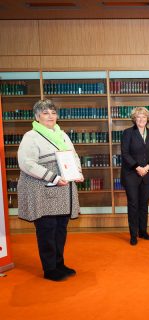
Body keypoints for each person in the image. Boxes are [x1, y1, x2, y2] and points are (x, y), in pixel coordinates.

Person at [17, 99, 84, 281]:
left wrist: (77, 172)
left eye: (53, 113)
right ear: (37, 117)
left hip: (63, 189)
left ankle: (59, 264)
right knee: (47, 228)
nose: (50, 116)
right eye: (45, 113)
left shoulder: (62, 134)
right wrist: (52, 177)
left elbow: (73, 155)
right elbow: (26, 163)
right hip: (42, 188)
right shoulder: (31, 136)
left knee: (61, 228)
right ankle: (49, 269)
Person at [121, 107, 149, 246]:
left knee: (144, 204)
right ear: (134, 119)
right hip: (131, 174)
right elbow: (125, 154)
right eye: (138, 117)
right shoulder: (127, 133)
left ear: (147, 119)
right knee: (133, 204)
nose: (141, 119)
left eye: (144, 117)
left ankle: (143, 231)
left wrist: (147, 167)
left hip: (147, 174)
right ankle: (133, 235)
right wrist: (138, 167)